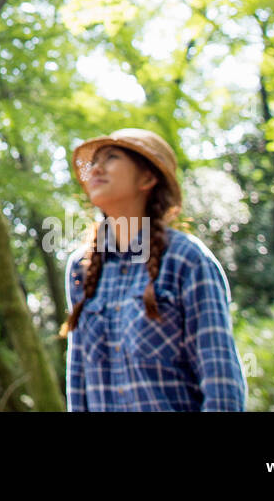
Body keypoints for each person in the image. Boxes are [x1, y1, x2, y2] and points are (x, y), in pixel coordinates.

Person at [61, 128, 245, 411]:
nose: (96, 168)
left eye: (111, 158)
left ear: (147, 178)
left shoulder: (187, 259)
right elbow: (78, 379)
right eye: (93, 162)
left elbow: (221, 382)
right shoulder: (81, 268)